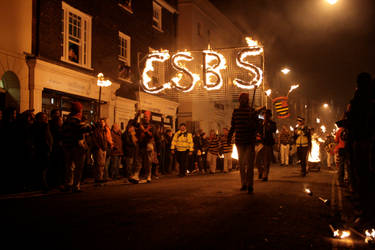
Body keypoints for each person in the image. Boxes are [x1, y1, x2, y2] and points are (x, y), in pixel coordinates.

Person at [228, 93, 260, 194]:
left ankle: (250, 184)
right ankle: (244, 183)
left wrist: (252, 123)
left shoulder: (253, 111)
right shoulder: (236, 112)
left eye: (245, 99)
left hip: (250, 140)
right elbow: (233, 126)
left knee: (250, 164)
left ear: (247, 100)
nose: (243, 100)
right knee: (241, 163)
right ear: (239, 100)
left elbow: (257, 126)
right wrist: (229, 137)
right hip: (239, 140)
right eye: (241, 99)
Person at [61, 102, 87, 192]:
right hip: (76, 146)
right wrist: (93, 126)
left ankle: (69, 183)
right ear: (79, 110)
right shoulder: (75, 120)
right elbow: (81, 130)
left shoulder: (67, 120)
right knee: (78, 167)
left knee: (69, 167)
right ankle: (75, 185)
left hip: (68, 146)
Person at [32, 112, 53, 193]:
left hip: (43, 149)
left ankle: (43, 183)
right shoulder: (42, 126)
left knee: (43, 167)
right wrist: (49, 147)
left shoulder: (42, 126)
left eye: (45, 117)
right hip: (42, 149)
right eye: (43, 117)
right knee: (43, 167)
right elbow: (47, 138)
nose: (45, 118)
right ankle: (43, 184)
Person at [256, 109, 276, 181]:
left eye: (267, 114)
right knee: (257, 160)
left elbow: (273, 130)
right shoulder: (260, 123)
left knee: (266, 161)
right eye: (264, 114)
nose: (265, 116)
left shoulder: (272, 123)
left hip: (268, 143)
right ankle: (260, 171)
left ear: (270, 116)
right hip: (260, 143)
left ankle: (265, 175)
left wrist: (267, 124)